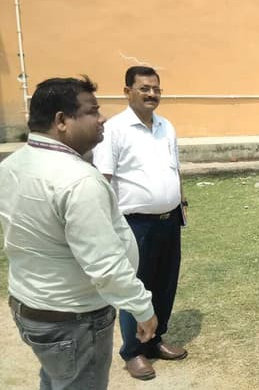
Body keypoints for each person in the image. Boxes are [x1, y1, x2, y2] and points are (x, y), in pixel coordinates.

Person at [0, 76, 157, 389]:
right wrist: (142, 308)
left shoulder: (12, 164)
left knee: (57, 380)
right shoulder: (78, 180)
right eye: (92, 111)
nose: (102, 119)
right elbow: (105, 264)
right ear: (62, 120)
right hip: (73, 319)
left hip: (31, 307)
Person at [92, 66, 187, 380]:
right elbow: (103, 179)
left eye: (156, 89)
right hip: (135, 225)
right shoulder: (115, 129)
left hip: (168, 221)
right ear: (127, 91)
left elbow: (174, 169)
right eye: (144, 88)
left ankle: (155, 340)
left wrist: (181, 203)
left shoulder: (165, 126)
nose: (152, 94)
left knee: (165, 283)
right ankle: (133, 350)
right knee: (136, 285)